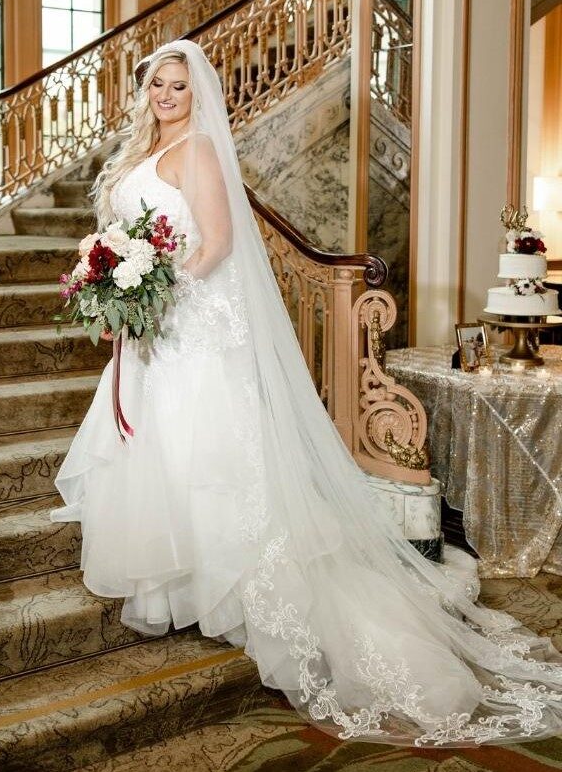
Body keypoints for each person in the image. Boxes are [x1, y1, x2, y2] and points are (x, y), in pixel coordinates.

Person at [52, 39, 562, 746]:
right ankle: (178, 587)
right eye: (155, 86)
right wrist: (109, 272)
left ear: (196, 93)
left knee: (211, 463)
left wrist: (161, 291)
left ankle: (244, 592)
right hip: (157, 333)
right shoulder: (143, 153)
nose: (165, 95)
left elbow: (219, 241)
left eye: (176, 85)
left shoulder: (199, 150)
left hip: (190, 328)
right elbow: (139, 236)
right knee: (165, 459)